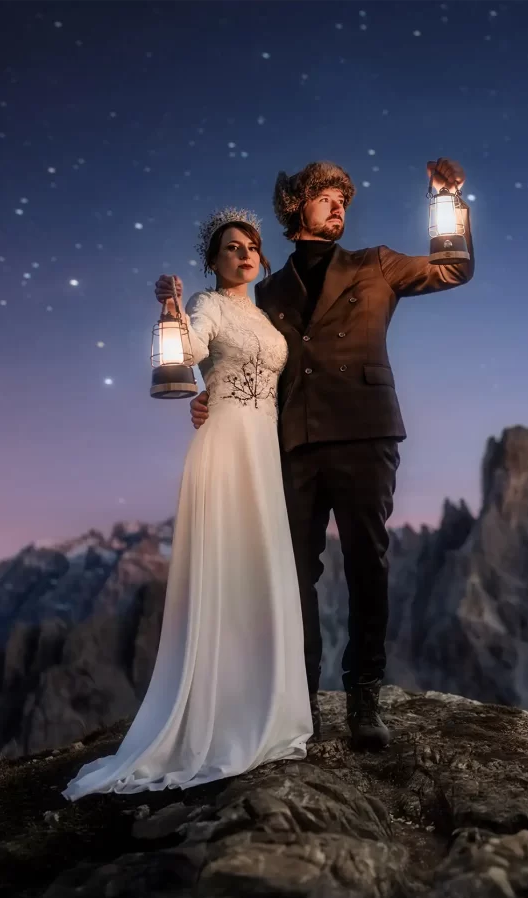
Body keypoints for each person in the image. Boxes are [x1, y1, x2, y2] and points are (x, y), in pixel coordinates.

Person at [153, 158, 473, 750]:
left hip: (365, 432)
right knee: (294, 572)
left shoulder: (376, 263)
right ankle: (298, 700)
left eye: (342, 198)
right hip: (292, 442)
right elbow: (239, 355)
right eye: (325, 196)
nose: (338, 205)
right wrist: (210, 397)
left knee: (367, 564)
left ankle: (364, 696)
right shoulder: (266, 292)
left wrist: (449, 201)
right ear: (296, 206)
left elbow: (454, 268)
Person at [64, 210, 312, 801]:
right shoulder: (207, 305)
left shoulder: (263, 314)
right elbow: (190, 351)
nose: (244, 254)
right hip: (226, 444)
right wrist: (171, 309)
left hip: (263, 448)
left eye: (251, 247)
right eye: (232, 248)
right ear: (214, 261)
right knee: (227, 566)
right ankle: (217, 716)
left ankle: (263, 704)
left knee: (259, 566)